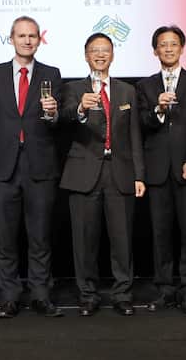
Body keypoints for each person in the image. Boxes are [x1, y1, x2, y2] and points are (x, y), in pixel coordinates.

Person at [0, 16, 64, 318]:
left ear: (39, 40)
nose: (27, 40)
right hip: (3, 167)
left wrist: (53, 114)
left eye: (32, 36)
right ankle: (10, 296)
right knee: (5, 237)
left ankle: (41, 295)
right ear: (11, 39)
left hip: (39, 167)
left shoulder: (52, 74)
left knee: (40, 236)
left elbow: (56, 123)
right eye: (21, 35)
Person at [61, 32, 146, 316]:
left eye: (105, 50)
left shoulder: (127, 91)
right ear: (86, 56)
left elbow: (135, 135)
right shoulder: (73, 89)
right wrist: (81, 109)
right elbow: (62, 120)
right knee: (84, 240)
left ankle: (122, 294)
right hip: (83, 172)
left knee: (122, 238)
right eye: (94, 51)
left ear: (113, 54)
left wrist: (139, 175)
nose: (100, 55)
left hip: (119, 171)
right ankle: (87, 295)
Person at [136, 25, 186, 314]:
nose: (168, 49)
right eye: (162, 45)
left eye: (173, 44)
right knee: (160, 232)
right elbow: (141, 124)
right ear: (155, 51)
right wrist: (157, 109)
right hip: (157, 169)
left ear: (182, 48)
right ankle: (165, 288)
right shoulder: (146, 86)